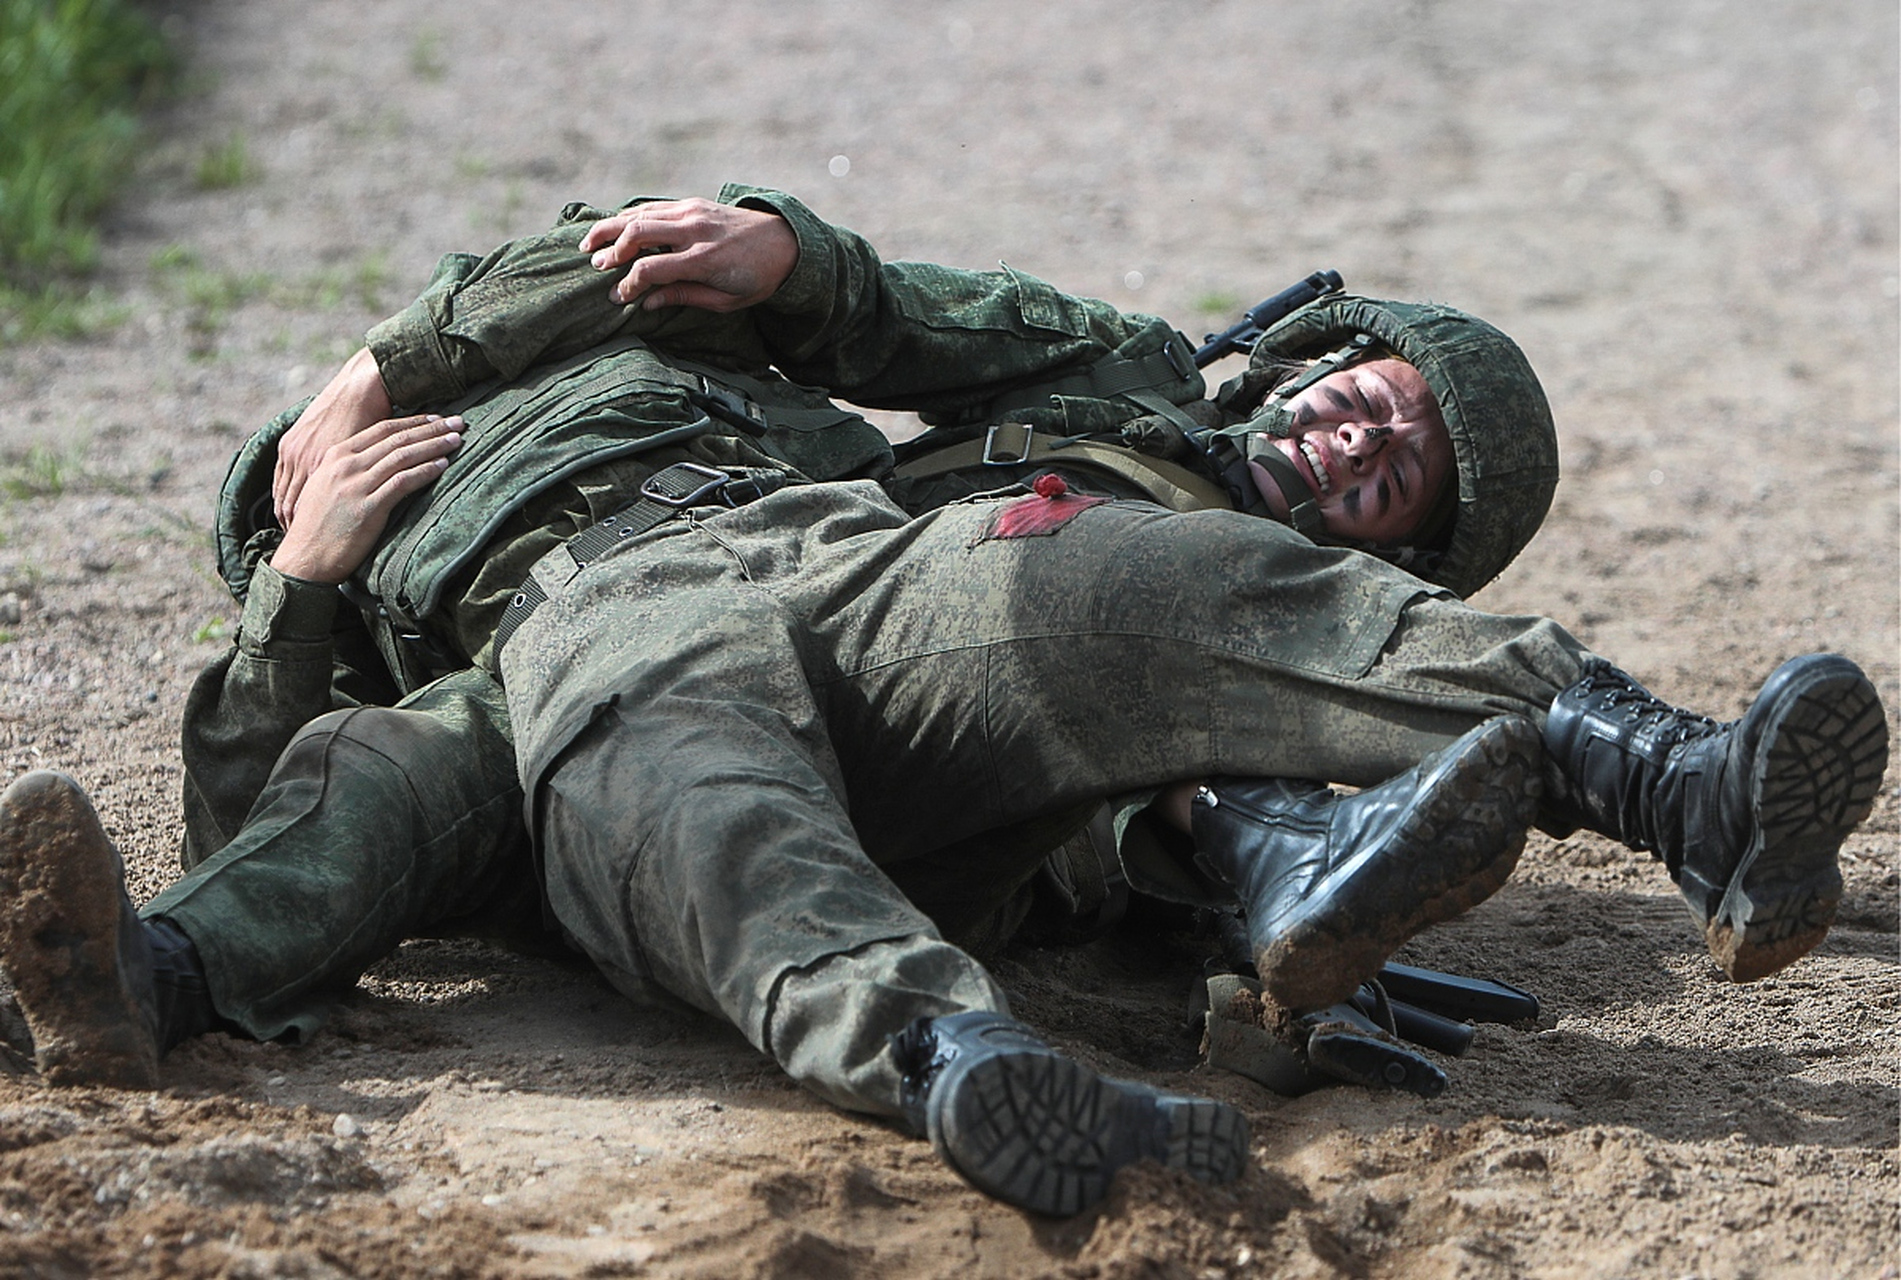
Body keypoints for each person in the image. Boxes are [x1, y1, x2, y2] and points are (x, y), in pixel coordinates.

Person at [0, 188, 1884, 1218]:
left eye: (1405, 453)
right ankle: (960, 1069)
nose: (1360, 429)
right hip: (579, 641)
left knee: (1137, 574)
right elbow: (258, 789)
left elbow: (604, 261)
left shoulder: (687, 353)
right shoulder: (355, 557)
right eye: (1373, 393)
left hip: (853, 553)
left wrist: (728, 255)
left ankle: (1662, 776)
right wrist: (304, 569)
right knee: (645, 801)